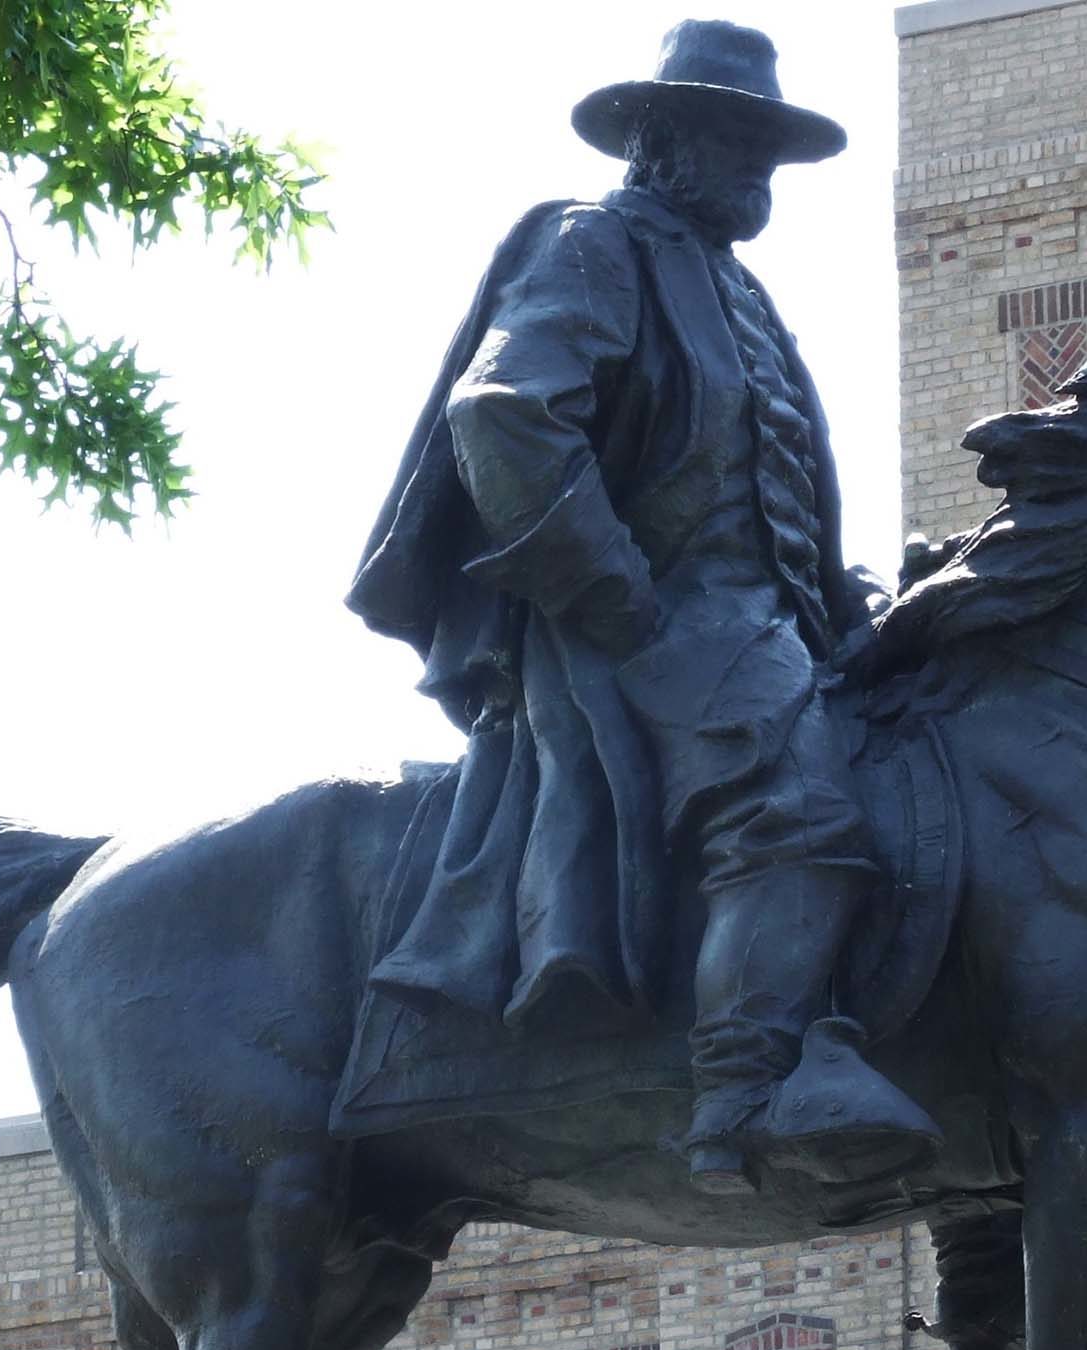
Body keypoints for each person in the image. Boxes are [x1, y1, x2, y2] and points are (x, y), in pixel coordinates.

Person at [347, 20, 938, 1194]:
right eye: (735, 139)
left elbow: (768, 491)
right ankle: (745, 1092)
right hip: (641, 624)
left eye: (768, 146)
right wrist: (621, 598)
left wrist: (866, 606)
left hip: (769, 625)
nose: (757, 169)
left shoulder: (734, 288)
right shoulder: (593, 243)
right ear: (661, 139)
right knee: (803, 807)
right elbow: (504, 415)